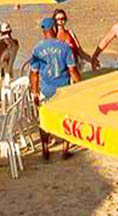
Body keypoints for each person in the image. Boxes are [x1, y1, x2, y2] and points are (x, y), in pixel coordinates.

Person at [29, 16, 81, 159]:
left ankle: (45, 148)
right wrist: (81, 85)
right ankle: (65, 149)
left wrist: (34, 92)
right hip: (63, 88)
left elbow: (34, 74)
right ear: (54, 29)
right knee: (66, 118)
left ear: (43, 31)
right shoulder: (65, 47)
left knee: (44, 119)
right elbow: (72, 70)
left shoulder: (37, 49)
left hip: (46, 89)